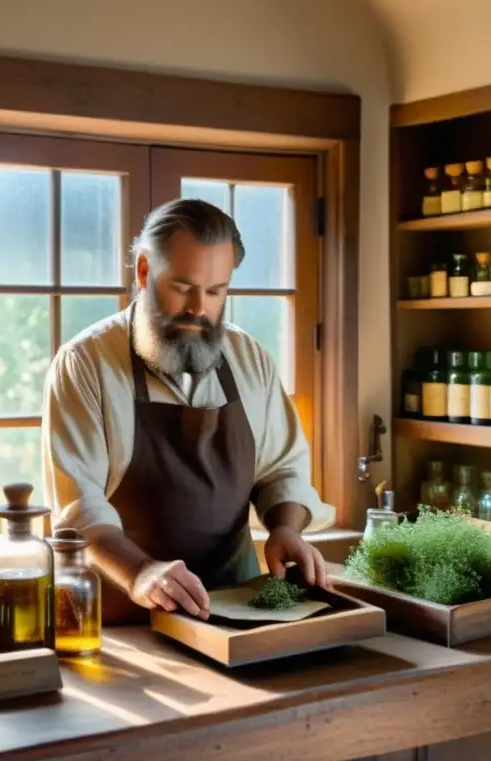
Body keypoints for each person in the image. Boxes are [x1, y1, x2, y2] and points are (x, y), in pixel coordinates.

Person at [42, 198, 331, 624]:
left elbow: (283, 469)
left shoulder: (250, 360)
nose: (199, 307)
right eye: (182, 287)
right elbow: (79, 513)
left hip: (237, 611)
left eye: (216, 291)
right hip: (123, 619)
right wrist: (142, 572)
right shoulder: (85, 365)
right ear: (144, 271)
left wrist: (285, 528)